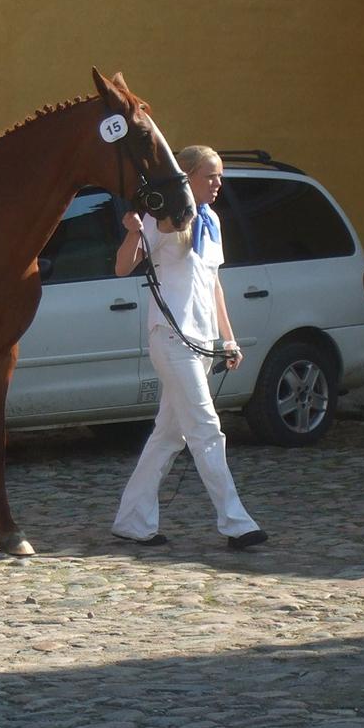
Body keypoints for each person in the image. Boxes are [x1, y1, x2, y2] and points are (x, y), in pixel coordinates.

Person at [110, 145, 268, 550]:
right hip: (170, 337)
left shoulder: (211, 220)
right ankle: (236, 522)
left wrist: (227, 338)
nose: (218, 184)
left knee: (169, 435)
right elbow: (124, 266)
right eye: (210, 176)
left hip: (202, 342)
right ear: (188, 176)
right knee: (206, 429)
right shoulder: (162, 217)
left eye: (219, 177)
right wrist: (132, 231)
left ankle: (132, 519)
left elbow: (212, 284)